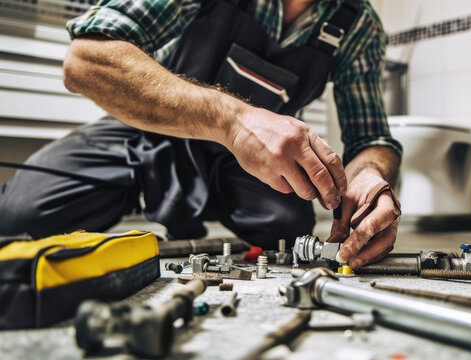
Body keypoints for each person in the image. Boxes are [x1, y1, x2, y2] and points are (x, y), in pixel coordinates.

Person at [0, 0, 402, 269]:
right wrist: (233, 121)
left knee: (287, 230)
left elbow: (371, 139)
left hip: (250, 165)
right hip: (145, 129)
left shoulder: (358, 23)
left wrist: (370, 172)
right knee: (25, 215)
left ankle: (215, 197)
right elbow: (86, 60)